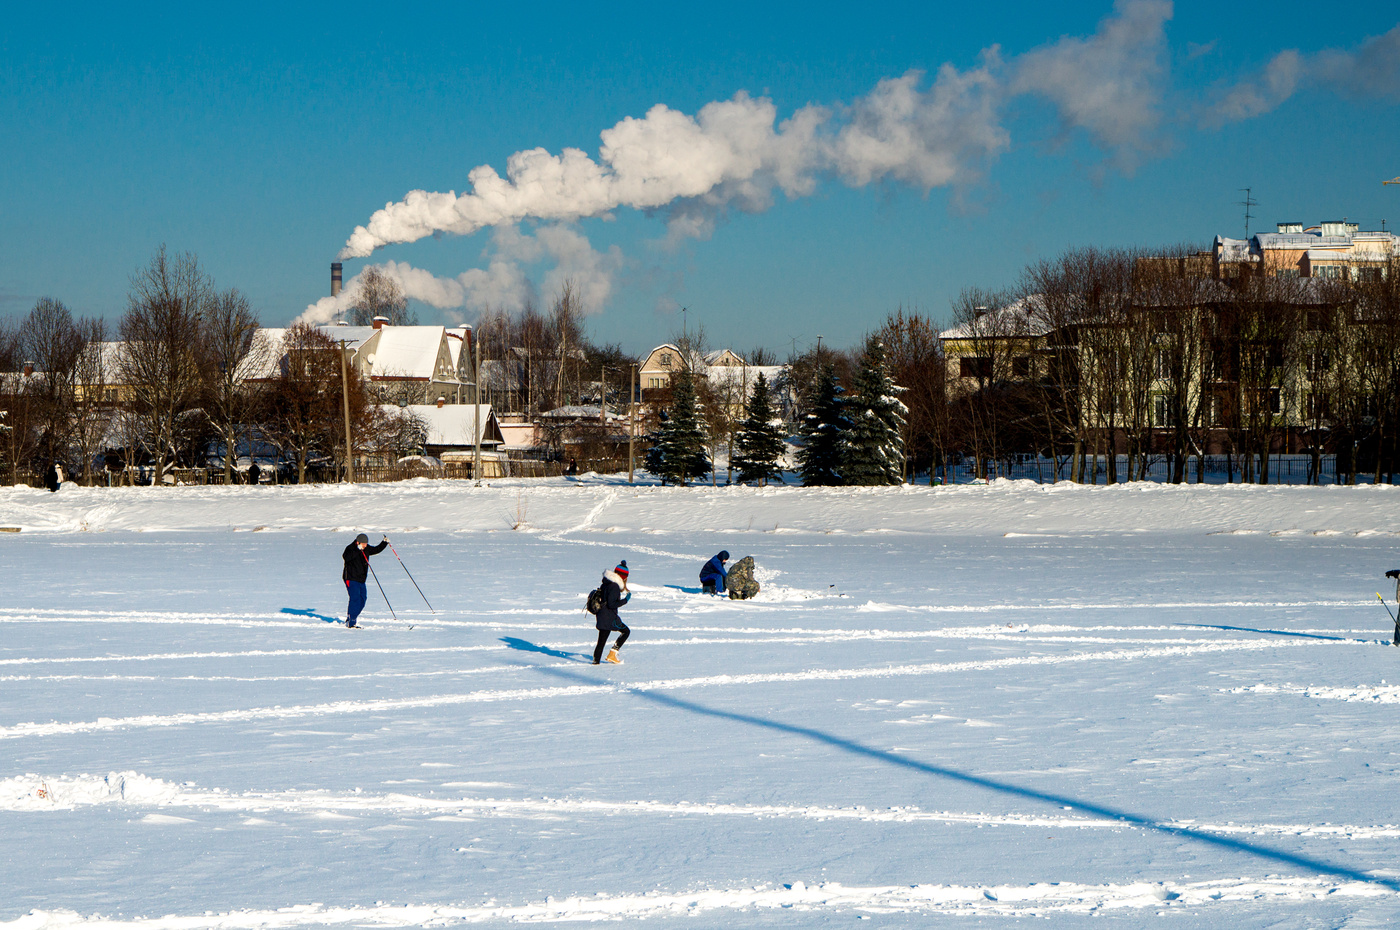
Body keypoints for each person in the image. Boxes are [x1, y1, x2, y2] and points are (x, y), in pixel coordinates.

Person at [342, 533, 388, 628]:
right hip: (351, 578)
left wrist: (384, 543)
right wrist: (358, 550)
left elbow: (376, 550)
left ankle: (351, 616)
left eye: (366, 544)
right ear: (358, 542)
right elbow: (346, 557)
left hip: (361, 579)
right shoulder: (350, 548)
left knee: (363, 599)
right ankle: (352, 621)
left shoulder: (366, 548)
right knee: (355, 599)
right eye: (363, 544)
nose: (365, 546)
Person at [593, 560, 631, 664]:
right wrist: (625, 600)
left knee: (601, 641)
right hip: (610, 618)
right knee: (626, 631)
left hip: (602, 615)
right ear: (623, 576)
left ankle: (596, 662)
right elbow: (612, 604)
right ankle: (612, 654)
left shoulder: (606, 582)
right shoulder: (614, 586)